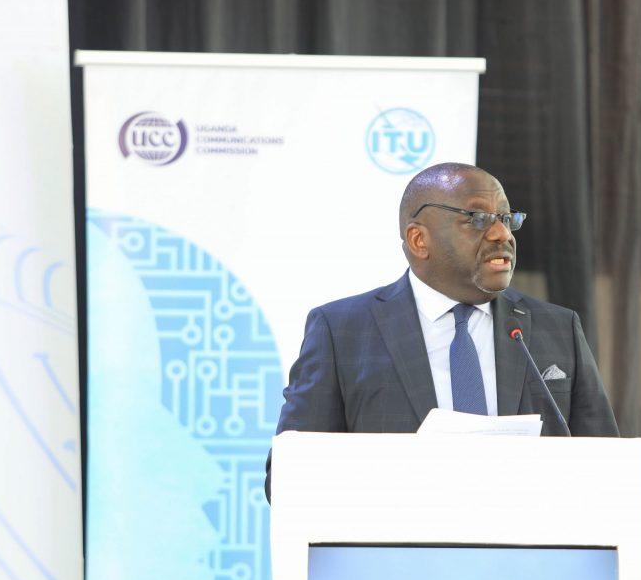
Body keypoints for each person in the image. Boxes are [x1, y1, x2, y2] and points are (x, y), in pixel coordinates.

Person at [265, 162, 618, 501]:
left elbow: (608, 470)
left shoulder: (555, 329)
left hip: (526, 557)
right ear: (419, 240)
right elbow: (288, 480)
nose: (502, 234)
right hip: (394, 556)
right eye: (478, 219)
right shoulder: (343, 332)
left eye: (507, 219)